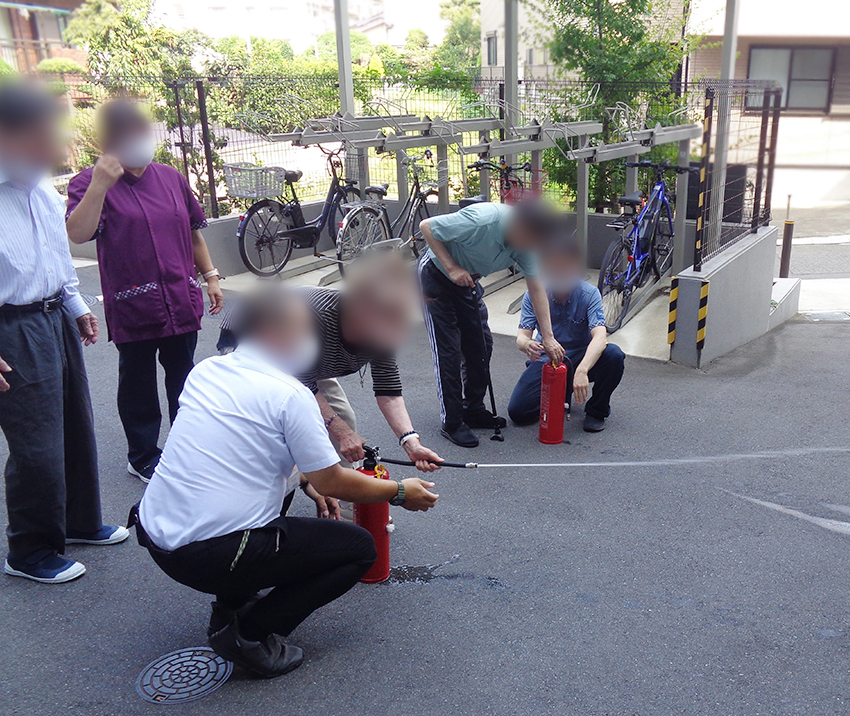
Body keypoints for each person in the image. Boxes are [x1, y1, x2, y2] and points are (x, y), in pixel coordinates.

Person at [134, 286, 439, 678]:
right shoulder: (291, 394)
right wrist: (399, 492)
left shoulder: (206, 371)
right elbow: (332, 481)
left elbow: (247, 444)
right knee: (359, 549)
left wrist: (309, 479)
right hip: (208, 556)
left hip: (158, 538)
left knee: (272, 487)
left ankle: (230, 606)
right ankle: (248, 634)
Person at [0, 80, 128, 584]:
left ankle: (78, 522)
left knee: (75, 427)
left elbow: (53, 248)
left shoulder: (34, 177)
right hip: (2, 325)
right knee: (36, 445)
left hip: (52, 313)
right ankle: (29, 551)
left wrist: (74, 303)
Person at [216, 254, 444, 521]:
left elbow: (388, 390)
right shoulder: (316, 316)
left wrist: (410, 442)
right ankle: (257, 512)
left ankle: (348, 505)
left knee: (343, 419)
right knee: (279, 431)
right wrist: (342, 433)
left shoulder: (382, 328)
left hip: (308, 361)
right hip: (253, 341)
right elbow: (299, 384)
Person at [66, 99, 223, 483]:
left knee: (184, 380)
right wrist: (100, 185)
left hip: (179, 298)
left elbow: (193, 232)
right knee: (138, 385)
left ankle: (187, 448)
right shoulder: (87, 182)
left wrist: (211, 276)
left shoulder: (170, 177)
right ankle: (143, 455)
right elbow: (78, 233)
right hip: (134, 304)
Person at [418, 198, 563, 448]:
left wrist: (548, 337)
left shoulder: (527, 244)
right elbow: (427, 227)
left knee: (482, 346)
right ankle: (452, 421)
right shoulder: (483, 220)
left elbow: (536, 288)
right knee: (448, 350)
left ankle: (472, 409)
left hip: (467, 282)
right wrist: (452, 268)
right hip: (437, 275)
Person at [508, 237, 625, 432]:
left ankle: (597, 411)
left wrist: (583, 370)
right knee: (518, 412)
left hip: (581, 358)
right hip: (548, 360)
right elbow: (522, 337)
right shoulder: (534, 294)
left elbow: (600, 337)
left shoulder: (589, 294)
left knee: (614, 355)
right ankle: (560, 390)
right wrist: (526, 344)